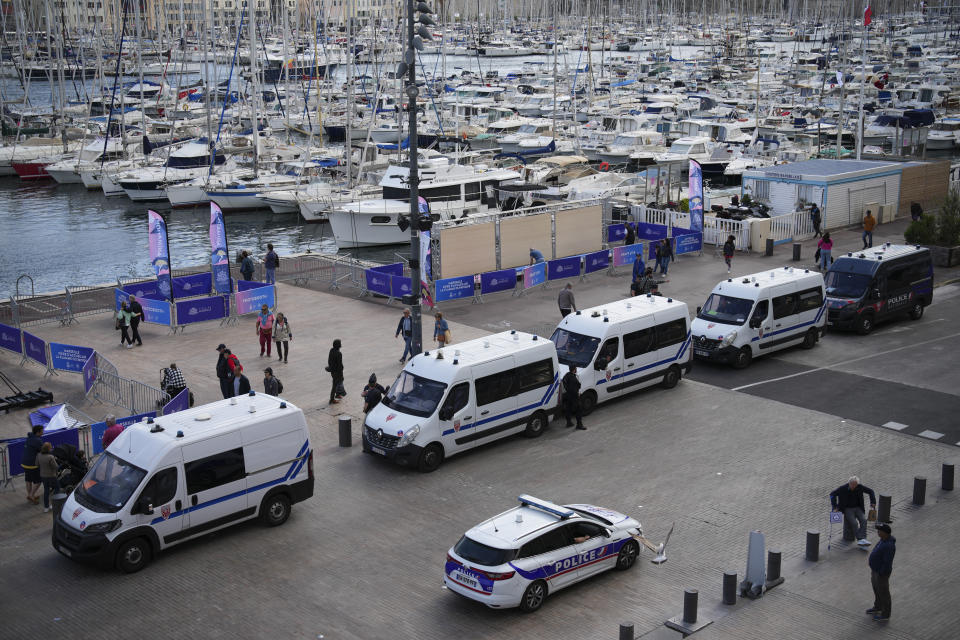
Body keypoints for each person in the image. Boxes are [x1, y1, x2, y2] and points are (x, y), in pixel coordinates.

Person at [830, 475, 877, 546]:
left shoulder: (860, 487)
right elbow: (832, 494)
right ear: (849, 483)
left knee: (864, 520)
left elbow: (871, 491)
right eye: (852, 484)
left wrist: (873, 502)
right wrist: (835, 506)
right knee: (854, 523)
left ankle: (863, 538)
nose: (853, 486)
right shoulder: (842, 488)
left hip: (858, 508)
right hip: (848, 509)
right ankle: (860, 539)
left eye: (855, 485)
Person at [867, 523, 896, 622]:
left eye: (880, 531)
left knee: (884, 593)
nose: (878, 532)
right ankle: (878, 606)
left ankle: (885, 614)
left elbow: (887, 562)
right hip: (875, 571)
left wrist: (881, 572)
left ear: (885, 533)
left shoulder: (889, 545)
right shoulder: (883, 540)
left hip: (881, 574)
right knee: (876, 589)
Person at [21, 425, 43, 505]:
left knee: (28, 480)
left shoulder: (29, 438)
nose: (43, 432)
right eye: (42, 431)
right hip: (32, 464)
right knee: (38, 481)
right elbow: (43, 450)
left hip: (24, 463)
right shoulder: (37, 440)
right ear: (38, 432)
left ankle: (30, 495)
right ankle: (31, 495)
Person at [37, 442, 60, 512]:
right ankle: (53, 504)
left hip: (43, 476)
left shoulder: (38, 455)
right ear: (48, 449)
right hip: (51, 475)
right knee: (57, 488)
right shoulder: (50, 457)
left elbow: (37, 464)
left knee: (46, 490)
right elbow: (56, 467)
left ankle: (46, 507)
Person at [561, 365, 586, 430]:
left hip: (567, 396)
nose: (576, 369)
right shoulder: (572, 378)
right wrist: (577, 394)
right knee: (578, 409)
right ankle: (579, 425)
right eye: (576, 368)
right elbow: (573, 388)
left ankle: (569, 422)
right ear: (574, 369)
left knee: (568, 409)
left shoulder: (566, 375)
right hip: (573, 396)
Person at [327, 339, 344, 404]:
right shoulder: (339, 354)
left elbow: (329, 360)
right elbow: (340, 364)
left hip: (332, 371)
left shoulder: (331, 350)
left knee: (338, 382)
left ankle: (338, 394)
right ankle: (332, 399)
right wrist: (341, 370)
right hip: (337, 372)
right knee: (335, 384)